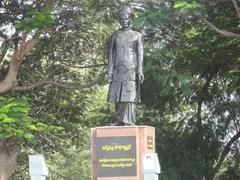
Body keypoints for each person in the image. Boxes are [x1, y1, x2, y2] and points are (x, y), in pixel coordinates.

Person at [107, 6, 144, 126]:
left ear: (130, 19)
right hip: (117, 70)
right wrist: (109, 71)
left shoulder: (136, 35)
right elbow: (111, 54)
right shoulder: (115, 34)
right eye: (121, 19)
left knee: (128, 95)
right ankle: (119, 120)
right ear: (119, 20)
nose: (124, 21)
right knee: (117, 95)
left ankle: (128, 120)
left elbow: (140, 54)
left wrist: (139, 70)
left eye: (126, 18)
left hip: (130, 70)